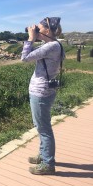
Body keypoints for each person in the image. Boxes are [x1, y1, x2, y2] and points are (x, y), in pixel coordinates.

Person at [21, 17, 64, 175]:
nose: (35, 30)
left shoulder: (51, 46)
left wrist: (31, 39)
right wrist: (36, 37)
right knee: (41, 126)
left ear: (46, 31)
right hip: (45, 91)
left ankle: (48, 164)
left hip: (41, 92)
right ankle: (43, 155)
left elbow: (25, 58)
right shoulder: (54, 44)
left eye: (38, 29)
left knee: (44, 129)